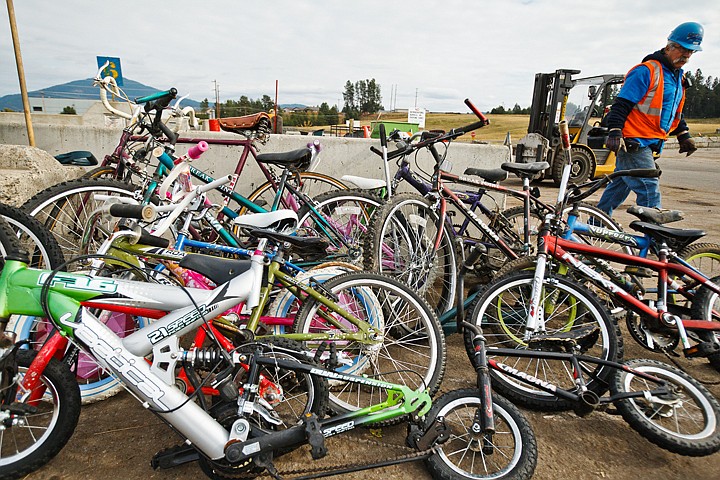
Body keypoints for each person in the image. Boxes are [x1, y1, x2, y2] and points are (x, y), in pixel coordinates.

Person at [596, 22, 703, 217]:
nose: (686, 56)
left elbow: (671, 111)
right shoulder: (646, 71)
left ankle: (594, 227)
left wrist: (683, 134)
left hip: (650, 141)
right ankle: (655, 241)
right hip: (634, 142)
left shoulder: (678, 77)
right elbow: (621, 105)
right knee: (649, 189)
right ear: (669, 46)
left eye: (691, 52)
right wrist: (614, 131)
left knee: (618, 187)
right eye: (683, 49)